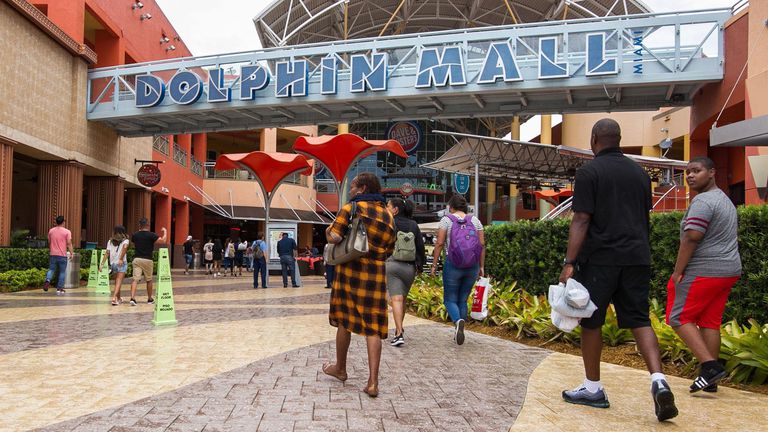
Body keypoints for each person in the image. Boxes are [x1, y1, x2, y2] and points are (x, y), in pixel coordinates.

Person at [558, 118, 677, 422]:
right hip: (637, 257)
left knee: (591, 321)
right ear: (619, 139)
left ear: (594, 139)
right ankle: (659, 380)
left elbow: (581, 219)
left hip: (600, 259)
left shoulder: (589, 172)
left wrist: (569, 262)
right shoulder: (640, 174)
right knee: (639, 319)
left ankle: (593, 388)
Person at [667, 157, 741, 393]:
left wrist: (678, 272)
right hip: (728, 270)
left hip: (704, 270)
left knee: (677, 317)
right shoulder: (724, 200)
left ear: (711, 172)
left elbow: (692, 237)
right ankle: (710, 381)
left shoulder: (703, 201)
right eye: (688, 172)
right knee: (709, 322)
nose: (690, 175)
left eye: (696, 171)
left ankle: (709, 366)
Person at [322, 173, 395, 398]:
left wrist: (328, 231)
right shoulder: (388, 215)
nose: (351, 190)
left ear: (362, 188)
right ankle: (373, 382)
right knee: (373, 327)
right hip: (375, 276)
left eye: (353, 186)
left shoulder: (351, 208)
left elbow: (334, 237)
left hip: (349, 273)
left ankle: (340, 368)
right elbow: (390, 249)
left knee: (344, 320)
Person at [430, 194, 485, 345]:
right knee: (462, 299)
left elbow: (439, 243)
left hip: (453, 264)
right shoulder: (475, 220)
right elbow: (481, 244)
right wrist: (481, 267)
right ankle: (460, 329)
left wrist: (434, 265)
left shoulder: (446, 220)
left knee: (449, 299)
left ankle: (457, 321)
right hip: (472, 266)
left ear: (451, 207)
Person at [386, 198, 426, 347]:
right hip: (410, 268)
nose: (386, 209)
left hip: (392, 265)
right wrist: (420, 267)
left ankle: (399, 333)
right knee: (401, 299)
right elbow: (420, 247)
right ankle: (399, 329)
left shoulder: (390, 223)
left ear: (395, 210)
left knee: (396, 300)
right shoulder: (413, 225)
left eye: (388, 206)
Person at [129, 218, 167, 306]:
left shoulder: (135, 235)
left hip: (137, 259)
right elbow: (163, 241)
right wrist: (165, 231)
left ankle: (132, 298)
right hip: (147, 259)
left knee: (135, 279)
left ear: (139, 225)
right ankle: (149, 299)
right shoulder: (151, 235)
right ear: (148, 225)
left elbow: (134, 242)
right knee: (149, 280)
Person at [99, 225, 129, 306]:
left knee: (117, 282)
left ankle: (118, 298)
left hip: (113, 264)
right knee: (119, 281)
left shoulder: (110, 241)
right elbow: (124, 249)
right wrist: (121, 259)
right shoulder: (126, 241)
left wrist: (102, 264)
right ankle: (114, 298)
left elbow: (107, 253)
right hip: (121, 263)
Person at [44, 215, 74, 295]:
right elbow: (69, 243)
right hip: (62, 255)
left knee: (51, 269)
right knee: (62, 272)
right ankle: (59, 288)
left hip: (53, 254)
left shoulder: (51, 231)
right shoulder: (67, 232)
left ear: (56, 222)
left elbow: (49, 241)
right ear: (63, 222)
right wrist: (71, 253)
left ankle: (47, 280)